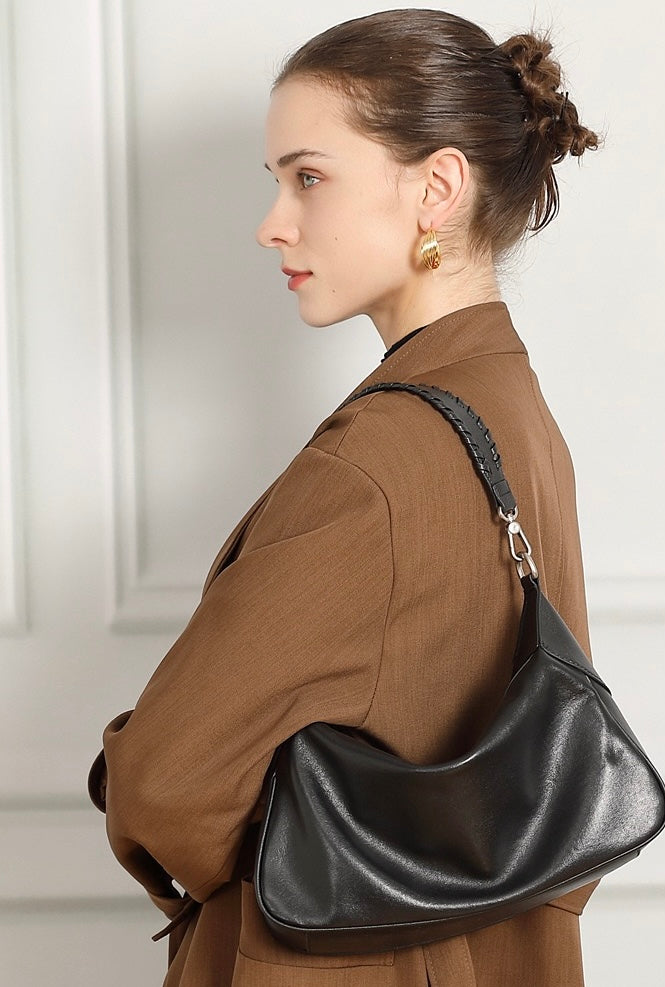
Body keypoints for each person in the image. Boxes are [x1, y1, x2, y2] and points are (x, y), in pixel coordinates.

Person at [88, 8, 603, 986]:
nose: (272, 223)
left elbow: (162, 784)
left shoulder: (377, 458)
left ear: (437, 188)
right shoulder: (512, 409)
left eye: (309, 177)